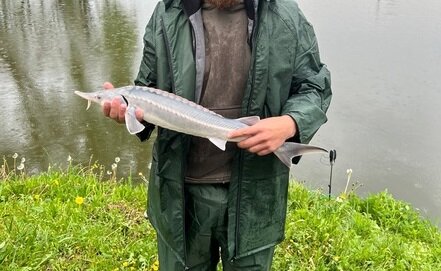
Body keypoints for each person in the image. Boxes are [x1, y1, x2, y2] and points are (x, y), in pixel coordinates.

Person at [102, 0, 332, 269]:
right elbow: (148, 90)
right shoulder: (168, 13)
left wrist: (290, 123)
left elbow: (314, 87)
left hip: (254, 195)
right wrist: (128, 113)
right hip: (180, 196)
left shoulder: (284, 15)